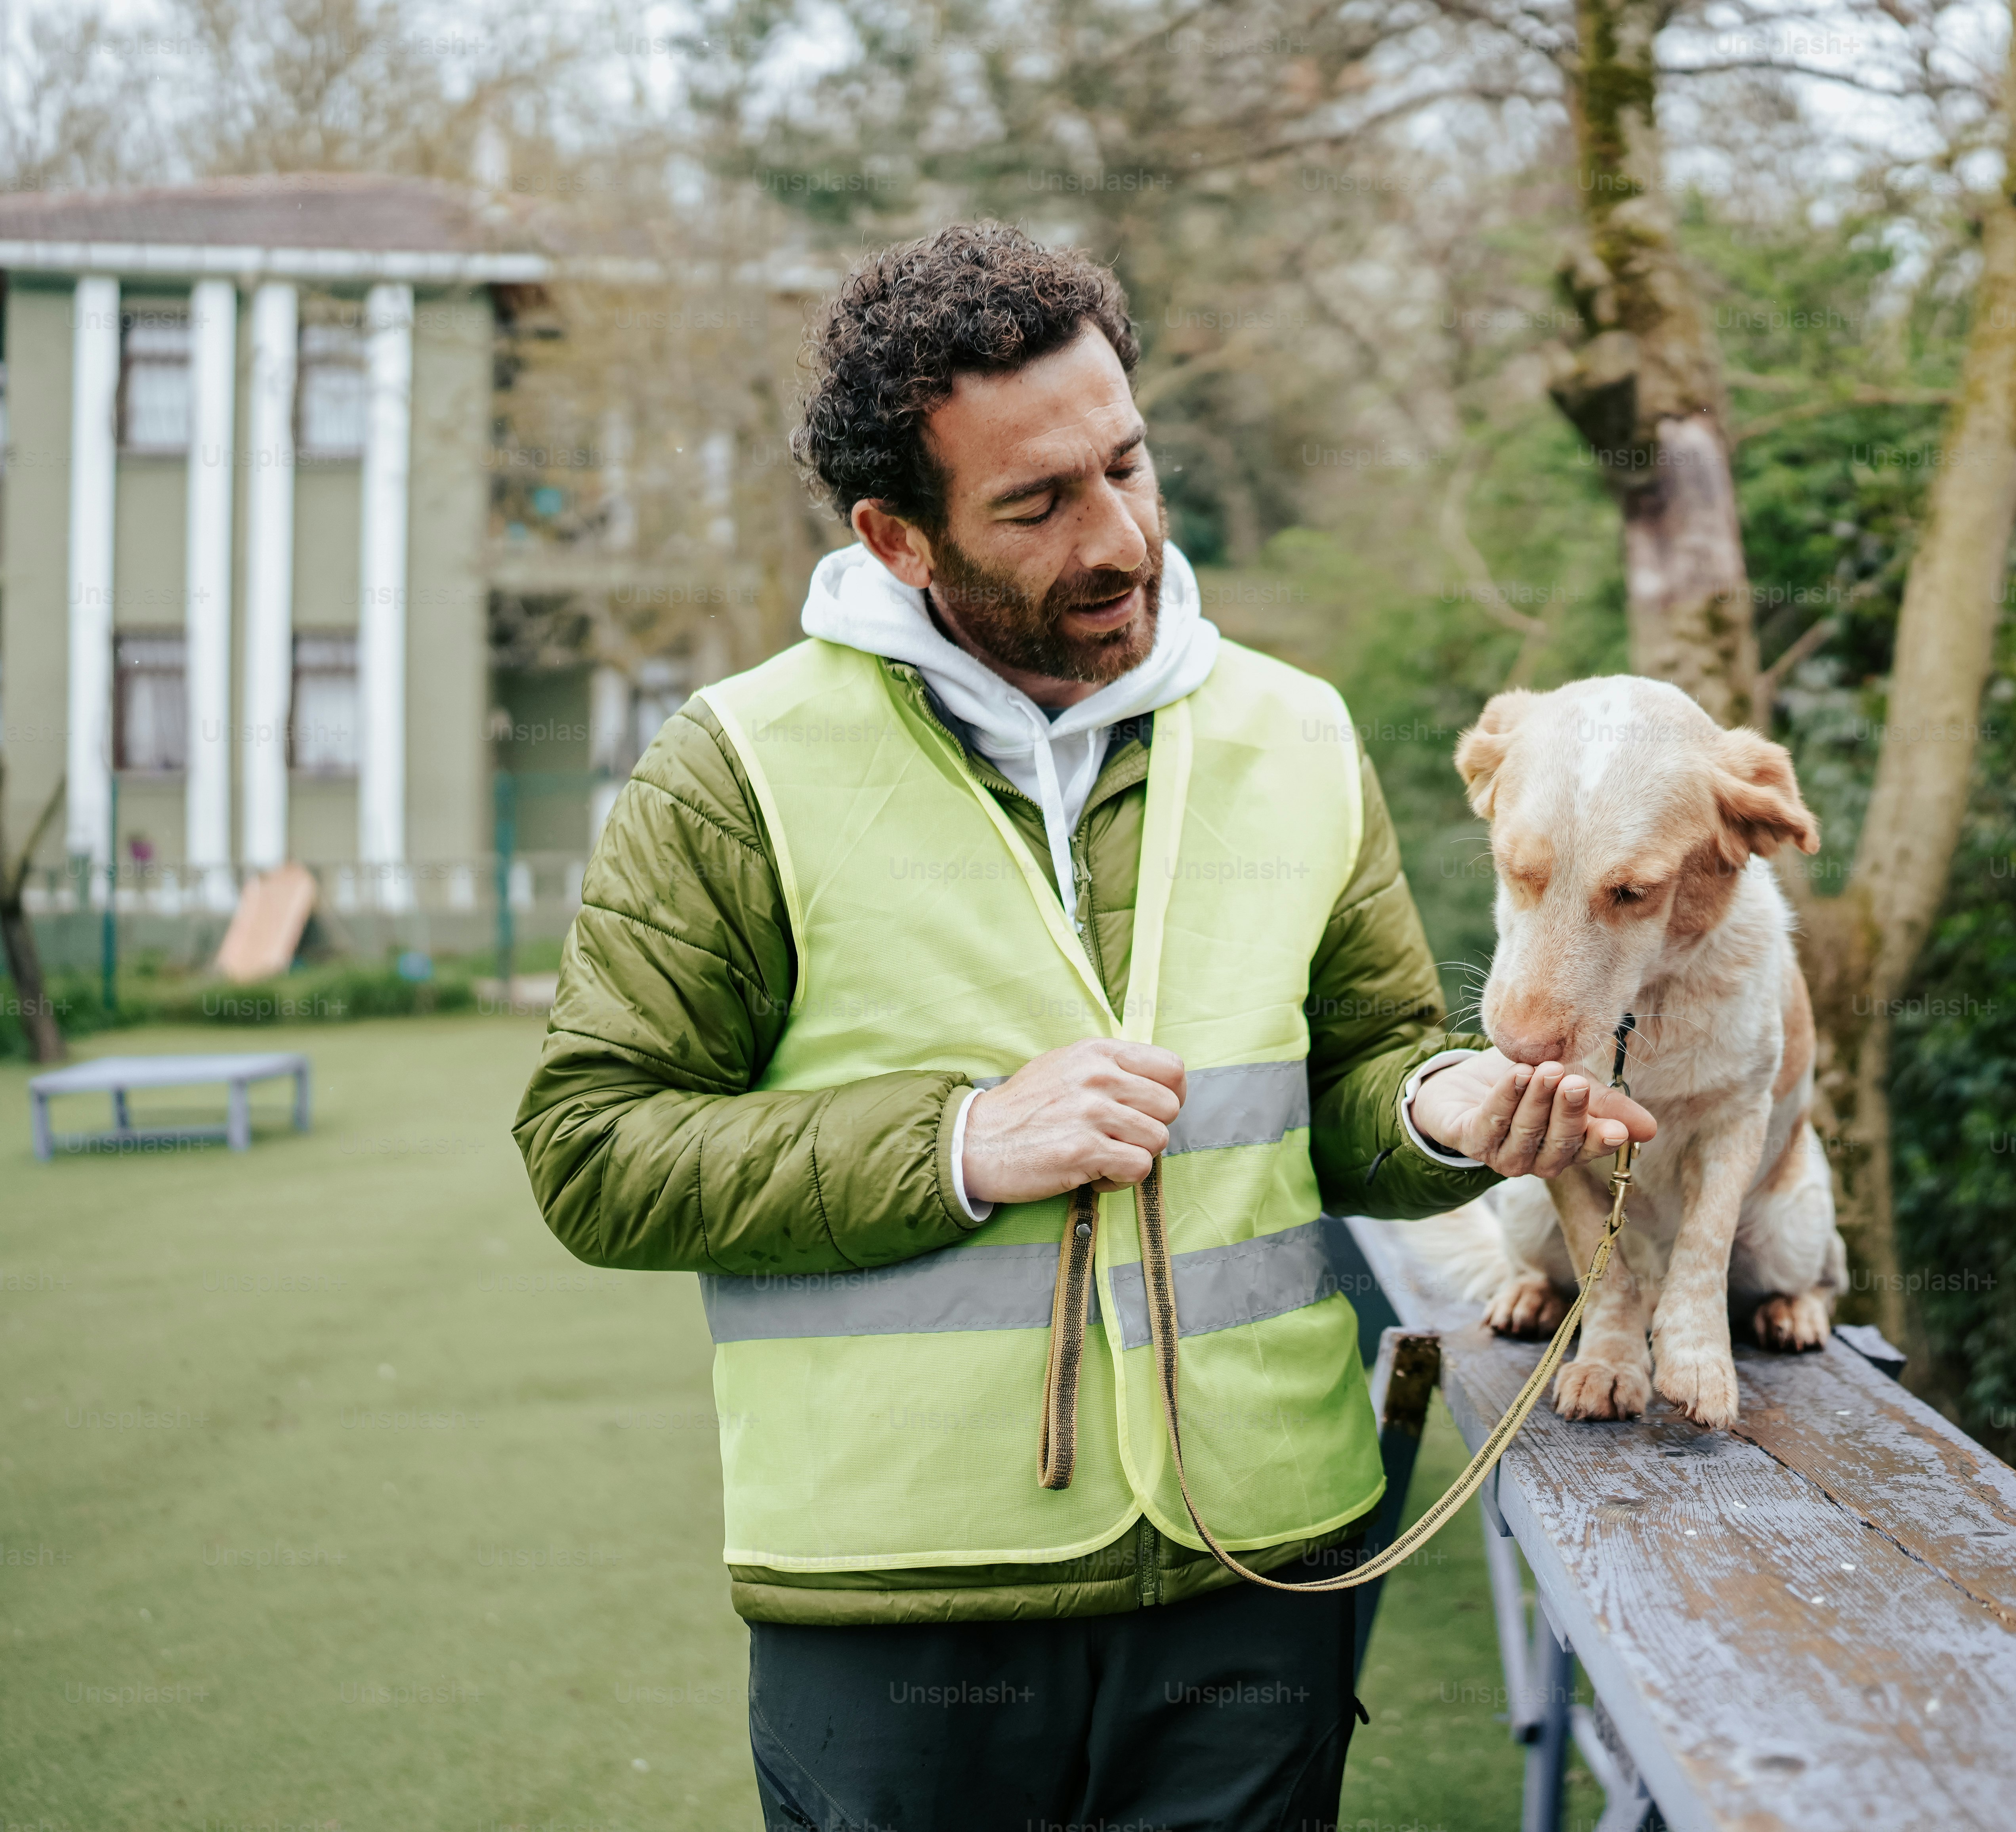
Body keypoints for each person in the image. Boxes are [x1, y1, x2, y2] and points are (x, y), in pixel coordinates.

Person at [513, 221, 1655, 1832]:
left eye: (1126, 464)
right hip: (901, 1607)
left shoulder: (1296, 728)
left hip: (1267, 1570)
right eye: (1038, 504)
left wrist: (1447, 1114)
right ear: (898, 536)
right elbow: (592, 1150)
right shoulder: (737, 764)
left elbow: (1362, 1075)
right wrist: (961, 1142)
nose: (1116, 534)